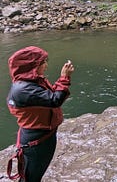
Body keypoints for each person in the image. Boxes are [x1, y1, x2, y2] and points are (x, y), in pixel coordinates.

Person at [6, 46, 74, 182]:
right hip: (36, 139)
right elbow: (55, 100)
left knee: (36, 171)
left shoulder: (32, 82)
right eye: (42, 62)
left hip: (44, 135)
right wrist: (64, 78)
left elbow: (50, 96)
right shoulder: (23, 90)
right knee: (31, 176)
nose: (46, 65)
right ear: (31, 66)